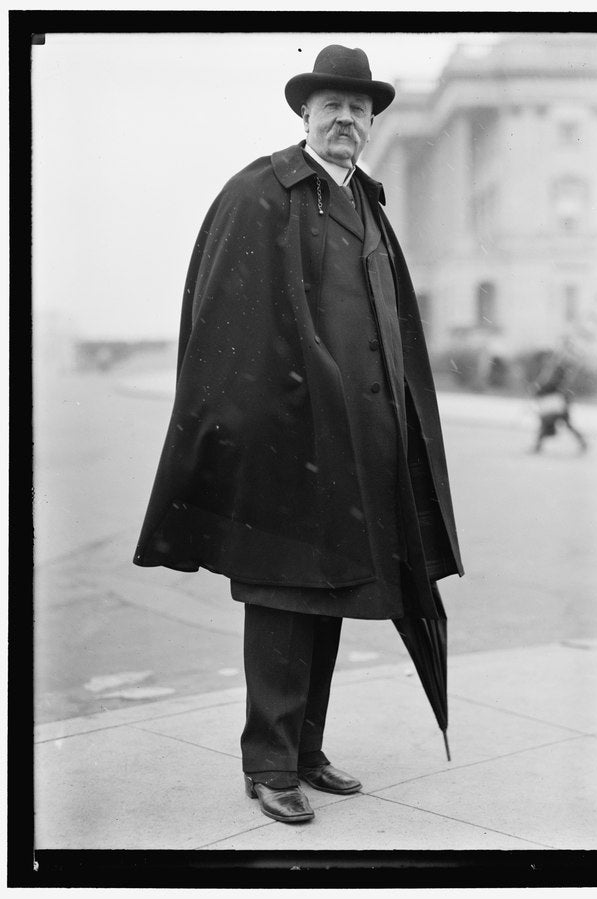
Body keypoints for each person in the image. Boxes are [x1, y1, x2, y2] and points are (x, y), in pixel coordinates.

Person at [134, 44, 464, 824]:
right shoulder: (262, 192)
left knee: (337, 592)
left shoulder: (368, 205)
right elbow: (228, 330)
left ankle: (306, 749)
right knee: (284, 596)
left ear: (372, 120)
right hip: (288, 447)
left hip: (360, 446)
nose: (345, 117)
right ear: (304, 115)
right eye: (330, 106)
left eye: (358, 108)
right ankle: (269, 762)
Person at [531, 355, 588, 454]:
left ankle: (538, 446)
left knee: (546, 425)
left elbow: (552, 388)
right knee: (564, 425)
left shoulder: (555, 378)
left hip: (556, 406)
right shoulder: (557, 377)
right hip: (558, 406)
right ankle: (582, 442)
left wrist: (539, 391)